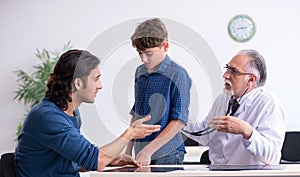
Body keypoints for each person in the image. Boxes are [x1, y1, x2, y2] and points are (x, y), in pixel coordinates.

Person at [14, 49, 161, 177]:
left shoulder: (71, 114)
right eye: (96, 79)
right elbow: (96, 161)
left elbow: (78, 161)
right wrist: (130, 133)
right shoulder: (47, 117)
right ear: (78, 83)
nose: (100, 86)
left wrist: (113, 160)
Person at [184, 49, 286, 165]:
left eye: (233, 71)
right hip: (218, 172)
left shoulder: (269, 104)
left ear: (251, 80)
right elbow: (206, 135)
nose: (225, 75)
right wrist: (179, 118)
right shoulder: (223, 99)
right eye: (227, 68)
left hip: (250, 174)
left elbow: (272, 156)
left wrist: (247, 131)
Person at [125, 18, 192, 165]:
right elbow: (137, 111)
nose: (144, 59)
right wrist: (128, 150)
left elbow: (179, 121)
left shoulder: (178, 74)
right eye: (140, 53)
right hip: (140, 152)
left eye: (148, 54)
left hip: (168, 154)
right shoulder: (140, 71)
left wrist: (148, 151)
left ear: (165, 46)